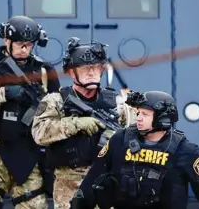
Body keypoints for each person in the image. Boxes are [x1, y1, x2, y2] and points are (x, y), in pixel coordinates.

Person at [70, 90, 199, 209]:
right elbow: (90, 183)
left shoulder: (184, 151)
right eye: (138, 113)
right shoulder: (120, 140)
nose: (139, 118)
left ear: (163, 119)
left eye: (145, 114)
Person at [0, 15, 60, 209]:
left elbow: (58, 109)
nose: (24, 50)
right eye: (19, 45)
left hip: (29, 153)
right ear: (6, 41)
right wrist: (2, 94)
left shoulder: (44, 70)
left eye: (29, 45)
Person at [31, 37, 136, 209]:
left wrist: (118, 139)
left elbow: (137, 136)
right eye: (85, 68)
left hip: (107, 182)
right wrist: (76, 124)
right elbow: (39, 134)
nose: (91, 72)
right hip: (69, 186)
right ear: (72, 73)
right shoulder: (55, 101)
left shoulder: (117, 103)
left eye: (96, 68)